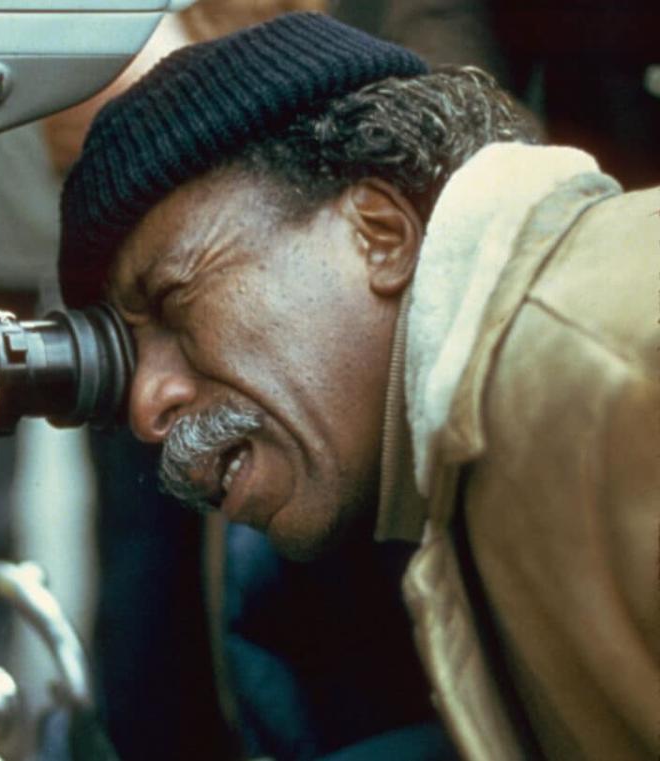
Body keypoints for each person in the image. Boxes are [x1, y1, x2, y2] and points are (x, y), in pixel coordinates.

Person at [56, 12, 660, 761]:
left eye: (177, 302)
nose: (148, 408)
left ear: (380, 234)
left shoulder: (610, 376)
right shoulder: (491, 418)